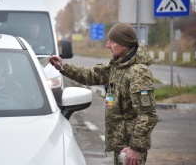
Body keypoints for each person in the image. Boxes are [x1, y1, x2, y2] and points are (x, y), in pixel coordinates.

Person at [50, 22, 158, 165]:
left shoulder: (138, 72)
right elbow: (91, 74)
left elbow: (148, 115)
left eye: (112, 41)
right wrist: (63, 67)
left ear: (124, 44)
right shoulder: (118, 66)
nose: (107, 45)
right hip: (121, 145)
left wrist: (135, 148)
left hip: (130, 148)